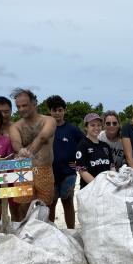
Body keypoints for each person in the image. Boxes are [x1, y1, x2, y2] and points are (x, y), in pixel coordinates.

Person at [9, 88, 57, 221]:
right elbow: (15, 142)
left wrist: (28, 153)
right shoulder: (15, 126)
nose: (21, 109)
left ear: (34, 103)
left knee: (45, 205)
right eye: (18, 106)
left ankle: (43, 233)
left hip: (44, 169)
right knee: (23, 206)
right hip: (23, 170)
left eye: (25, 105)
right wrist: (20, 150)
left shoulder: (49, 121)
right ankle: (24, 233)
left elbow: (42, 137)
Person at [46, 95, 84, 229]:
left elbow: (84, 145)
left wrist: (79, 162)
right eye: (54, 110)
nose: (57, 113)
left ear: (64, 110)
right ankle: (51, 232)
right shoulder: (45, 129)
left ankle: (71, 232)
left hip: (68, 173)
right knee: (51, 204)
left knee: (68, 202)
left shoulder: (72, 129)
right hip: (49, 172)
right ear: (50, 111)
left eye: (60, 110)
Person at [75, 113, 115, 188]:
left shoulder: (105, 146)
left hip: (107, 188)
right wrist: (98, 186)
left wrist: (113, 183)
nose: (96, 128)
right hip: (90, 189)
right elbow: (81, 170)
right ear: (86, 127)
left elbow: (112, 167)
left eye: (99, 125)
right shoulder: (82, 145)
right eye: (92, 125)